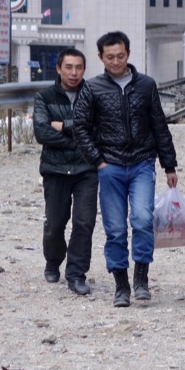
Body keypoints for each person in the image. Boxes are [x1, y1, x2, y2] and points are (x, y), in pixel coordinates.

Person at [73, 31, 178, 307]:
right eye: (110, 57)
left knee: (143, 219)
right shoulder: (92, 88)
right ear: (101, 58)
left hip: (142, 162)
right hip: (110, 165)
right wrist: (98, 161)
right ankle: (121, 285)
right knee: (116, 228)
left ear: (128, 54)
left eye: (120, 56)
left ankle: (141, 278)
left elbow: (159, 125)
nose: (116, 61)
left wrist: (169, 164)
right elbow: (81, 127)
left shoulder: (146, 85)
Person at [33, 48, 98, 295]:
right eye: (69, 67)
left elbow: (98, 129)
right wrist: (82, 139)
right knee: (55, 223)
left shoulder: (93, 95)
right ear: (59, 68)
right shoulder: (44, 97)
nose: (74, 72)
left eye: (79, 67)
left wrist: (65, 127)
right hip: (55, 169)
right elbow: (42, 133)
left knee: (84, 222)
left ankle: (76, 273)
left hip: (86, 170)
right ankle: (52, 261)